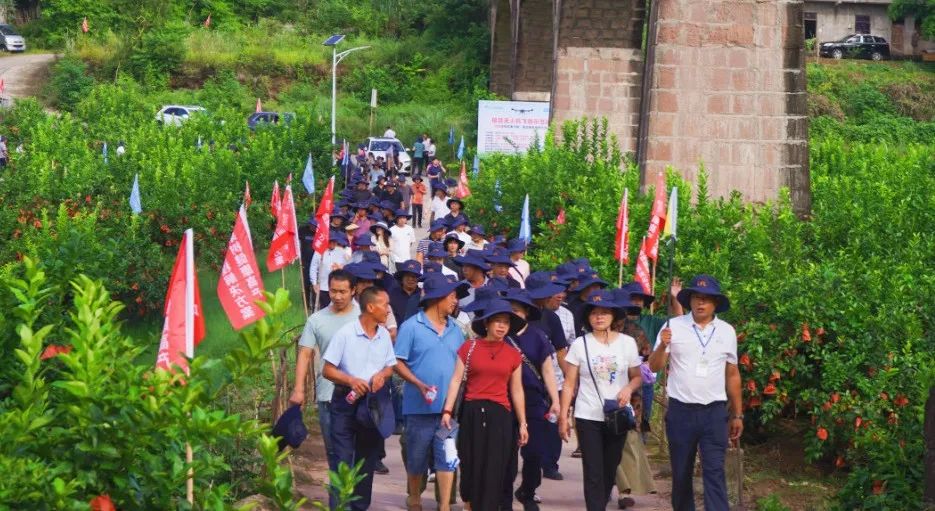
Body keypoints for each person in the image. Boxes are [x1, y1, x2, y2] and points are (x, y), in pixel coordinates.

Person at [648, 274, 742, 511]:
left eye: (707, 299)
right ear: (689, 300)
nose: (701, 303)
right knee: (681, 473)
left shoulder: (726, 331)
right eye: (696, 298)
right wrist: (662, 345)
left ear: (715, 304)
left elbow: (732, 374)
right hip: (681, 411)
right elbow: (654, 366)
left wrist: (737, 414)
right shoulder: (673, 326)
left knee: (714, 472)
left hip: (714, 412)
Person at [440, 299, 530, 511]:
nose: (501, 326)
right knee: (470, 462)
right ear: (487, 324)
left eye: (506, 322)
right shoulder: (468, 348)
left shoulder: (513, 354)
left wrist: (523, 423)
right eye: (497, 321)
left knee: (495, 467)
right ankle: (469, 504)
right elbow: (455, 380)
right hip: (472, 412)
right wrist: (447, 410)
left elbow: (517, 390)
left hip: (501, 415)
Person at [558, 289, 642, 511]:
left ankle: (600, 505)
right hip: (587, 415)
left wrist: (628, 388)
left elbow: (637, 377)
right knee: (593, 471)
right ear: (588, 317)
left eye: (604, 312)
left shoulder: (627, 343)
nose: (599, 317)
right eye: (594, 313)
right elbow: (569, 383)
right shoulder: (580, 344)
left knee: (609, 468)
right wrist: (563, 417)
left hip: (617, 415)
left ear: (614, 316)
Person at [394, 274, 470, 511]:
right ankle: (414, 497)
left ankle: (444, 505)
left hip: (449, 409)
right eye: (452, 296)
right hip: (418, 408)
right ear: (437, 298)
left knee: (447, 458)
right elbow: (397, 362)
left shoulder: (456, 330)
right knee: (416, 458)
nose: (455, 301)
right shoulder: (411, 327)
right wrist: (417, 383)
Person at [322, 286, 397, 510]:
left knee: (366, 460)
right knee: (343, 460)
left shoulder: (384, 335)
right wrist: (351, 380)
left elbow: (390, 367)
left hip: (373, 405)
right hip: (346, 402)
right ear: (371, 307)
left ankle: (359, 507)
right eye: (385, 305)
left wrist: (381, 375)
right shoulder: (346, 333)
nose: (388, 309)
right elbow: (328, 370)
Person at [290, 269, 360, 472]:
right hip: (327, 394)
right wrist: (298, 389)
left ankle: (353, 496)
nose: (337, 296)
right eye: (333, 291)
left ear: (353, 291)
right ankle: (339, 497)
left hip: (359, 395)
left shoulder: (363, 317)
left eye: (343, 291)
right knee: (333, 451)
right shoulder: (317, 320)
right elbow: (304, 354)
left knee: (356, 450)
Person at [502, 290, 561, 511]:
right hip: (504, 400)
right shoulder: (501, 335)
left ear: (526, 312)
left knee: (534, 452)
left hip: (534, 400)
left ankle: (527, 491)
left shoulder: (538, 336)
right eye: (510, 311)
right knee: (507, 455)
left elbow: (547, 371)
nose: (513, 315)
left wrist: (556, 400)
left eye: (517, 311)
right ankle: (504, 499)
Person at [524, 271, 572, 480]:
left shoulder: (551, 318)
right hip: (525, 380)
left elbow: (561, 350)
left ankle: (550, 463)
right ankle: (530, 462)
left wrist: (570, 379)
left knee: (553, 422)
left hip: (553, 378)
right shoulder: (520, 315)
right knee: (531, 425)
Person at [310, 232, 352, 309]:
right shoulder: (319, 251)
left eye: (334, 241)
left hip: (338, 285)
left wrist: (341, 267)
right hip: (323, 286)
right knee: (324, 308)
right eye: (331, 241)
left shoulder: (342, 252)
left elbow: (349, 265)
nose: (333, 243)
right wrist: (314, 283)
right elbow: (313, 267)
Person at [390, 259, 423, 324]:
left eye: (414, 276)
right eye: (407, 275)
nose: (410, 279)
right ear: (402, 277)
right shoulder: (391, 294)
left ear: (418, 278)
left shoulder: (423, 296)